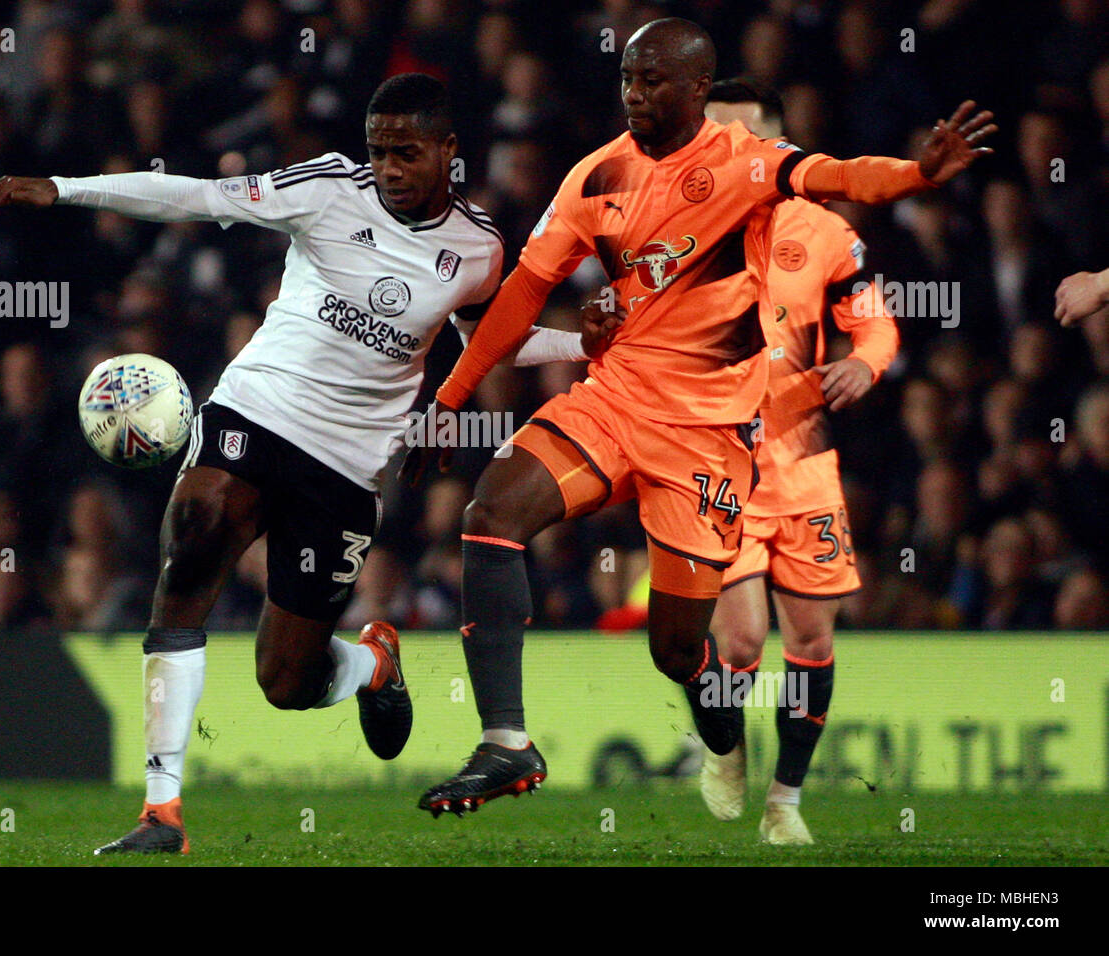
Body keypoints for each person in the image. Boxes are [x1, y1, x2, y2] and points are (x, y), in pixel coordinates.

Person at [0, 73, 598, 854]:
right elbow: (196, 197)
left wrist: (579, 344)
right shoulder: (329, 188)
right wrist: (62, 188)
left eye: (406, 152)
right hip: (258, 409)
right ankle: (161, 811)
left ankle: (371, 666)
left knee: (286, 683)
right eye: (379, 151)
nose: (389, 168)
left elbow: (491, 340)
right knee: (193, 542)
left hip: (350, 464)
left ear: (448, 151)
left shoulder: (478, 248)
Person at [403, 17, 994, 817]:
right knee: (491, 512)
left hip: (709, 440)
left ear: (696, 90)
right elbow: (521, 299)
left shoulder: (747, 164)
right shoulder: (596, 175)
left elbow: (845, 176)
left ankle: (720, 729)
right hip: (613, 402)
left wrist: (918, 174)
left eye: (652, 82)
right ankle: (505, 744)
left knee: (678, 650)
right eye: (627, 80)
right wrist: (447, 398)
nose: (635, 95)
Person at [698, 78, 898, 845]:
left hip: (804, 462)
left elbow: (873, 323)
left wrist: (866, 364)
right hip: (713, 464)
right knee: (742, 641)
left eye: (742, 140)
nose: (724, 155)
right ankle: (724, 746)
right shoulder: (669, 231)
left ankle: (785, 802)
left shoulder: (822, 231)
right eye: (709, 138)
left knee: (811, 641)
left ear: (780, 150)